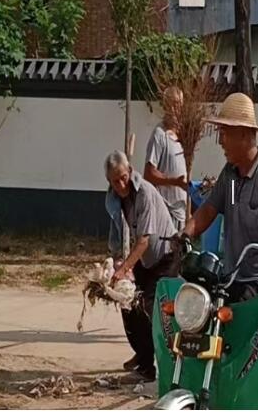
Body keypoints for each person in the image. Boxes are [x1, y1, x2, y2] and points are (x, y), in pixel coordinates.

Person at [182, 93, 258, 302]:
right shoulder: (232, 175)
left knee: (235, 303)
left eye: (224, 133)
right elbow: (210, 209)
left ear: (244, 134)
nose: (220, 142)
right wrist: (186, 234)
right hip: (233, 277)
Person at [104, 150, 178, 381]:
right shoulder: (114, 199)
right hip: (145, 259)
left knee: (147, 307)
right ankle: (142, 354)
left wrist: (125, 268)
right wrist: (117, 262)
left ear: (130, 172)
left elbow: (144, 240)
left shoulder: (144, 192)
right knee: (127, 304)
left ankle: (151, 367)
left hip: (166, 256)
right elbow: (117, 235)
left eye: (123, 177)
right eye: (115, 181)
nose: (121, 183)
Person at [144, 86, 188, 231]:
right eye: (173, 104)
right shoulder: (159, 135)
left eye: (179, 105)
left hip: (181, 210)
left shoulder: (183, 137)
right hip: (165, 209)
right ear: (165, 106)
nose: (176, 110)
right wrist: (173, 182)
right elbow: (149, 173)